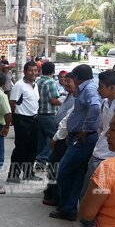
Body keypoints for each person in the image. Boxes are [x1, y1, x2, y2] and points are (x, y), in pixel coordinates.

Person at [63, 70, 115, 227]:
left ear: (112, 87)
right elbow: (101, 127)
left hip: (111, 160)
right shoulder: (105, 103)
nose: (98, 90)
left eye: (101, 87)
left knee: (102, 203)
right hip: (98, 155)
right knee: (86, 196)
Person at [51, 64, 101, 221]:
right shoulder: (85, 89)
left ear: (77, 78)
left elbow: (95, 107)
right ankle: (69, 208)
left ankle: (66, 206)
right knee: (76, 174)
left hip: (83, 139)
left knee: (64, 170)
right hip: (77, 137)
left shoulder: (89, 89)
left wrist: (86, 128)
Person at [43, 72, 77, 206]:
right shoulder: (68, 95)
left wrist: (56, 137)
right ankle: (52, 191)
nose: (65, 83)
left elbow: (67, 120)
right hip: (60, 135)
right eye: (64, 80)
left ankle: (55, 194)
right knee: (53, 163)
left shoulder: (77, 98)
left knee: (56, 164)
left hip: (64, 138)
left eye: (69, 81)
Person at [7, 61, 41, 183]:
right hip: (22, 119)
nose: (33, 73)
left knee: (32, 148)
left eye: (35, 70)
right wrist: (12, 119)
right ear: (25, 72)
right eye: (30, 70)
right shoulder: (19, 85)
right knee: (21, 148)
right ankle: (13, 174)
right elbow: (12, 102)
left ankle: (28, 173)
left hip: (34, 119)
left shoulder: (35, 85)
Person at [35, 61, 63, 165]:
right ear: (53, 71)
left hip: (38, 114)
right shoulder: (51, 82)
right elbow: (53, 100)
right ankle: (44, 158)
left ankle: (40, 161)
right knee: (55, 138)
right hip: (49, 114)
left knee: (42, 140)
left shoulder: (38, 81)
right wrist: (64, 104)